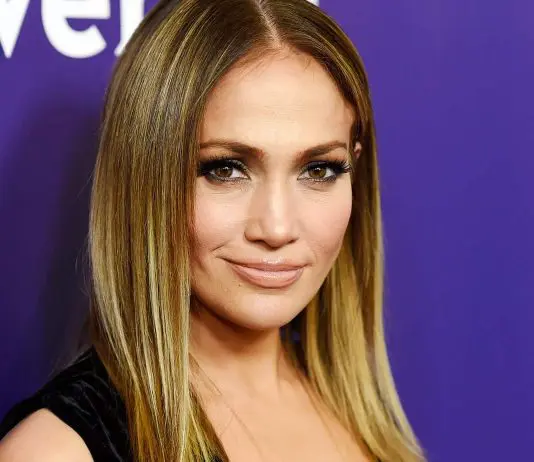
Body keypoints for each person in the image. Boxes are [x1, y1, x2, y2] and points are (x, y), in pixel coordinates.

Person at [0, 0, 426, 460]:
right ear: (145, 179)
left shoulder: (361, 419)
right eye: (225, 169)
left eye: (319, 169)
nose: (277, 227)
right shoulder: (55, 451)